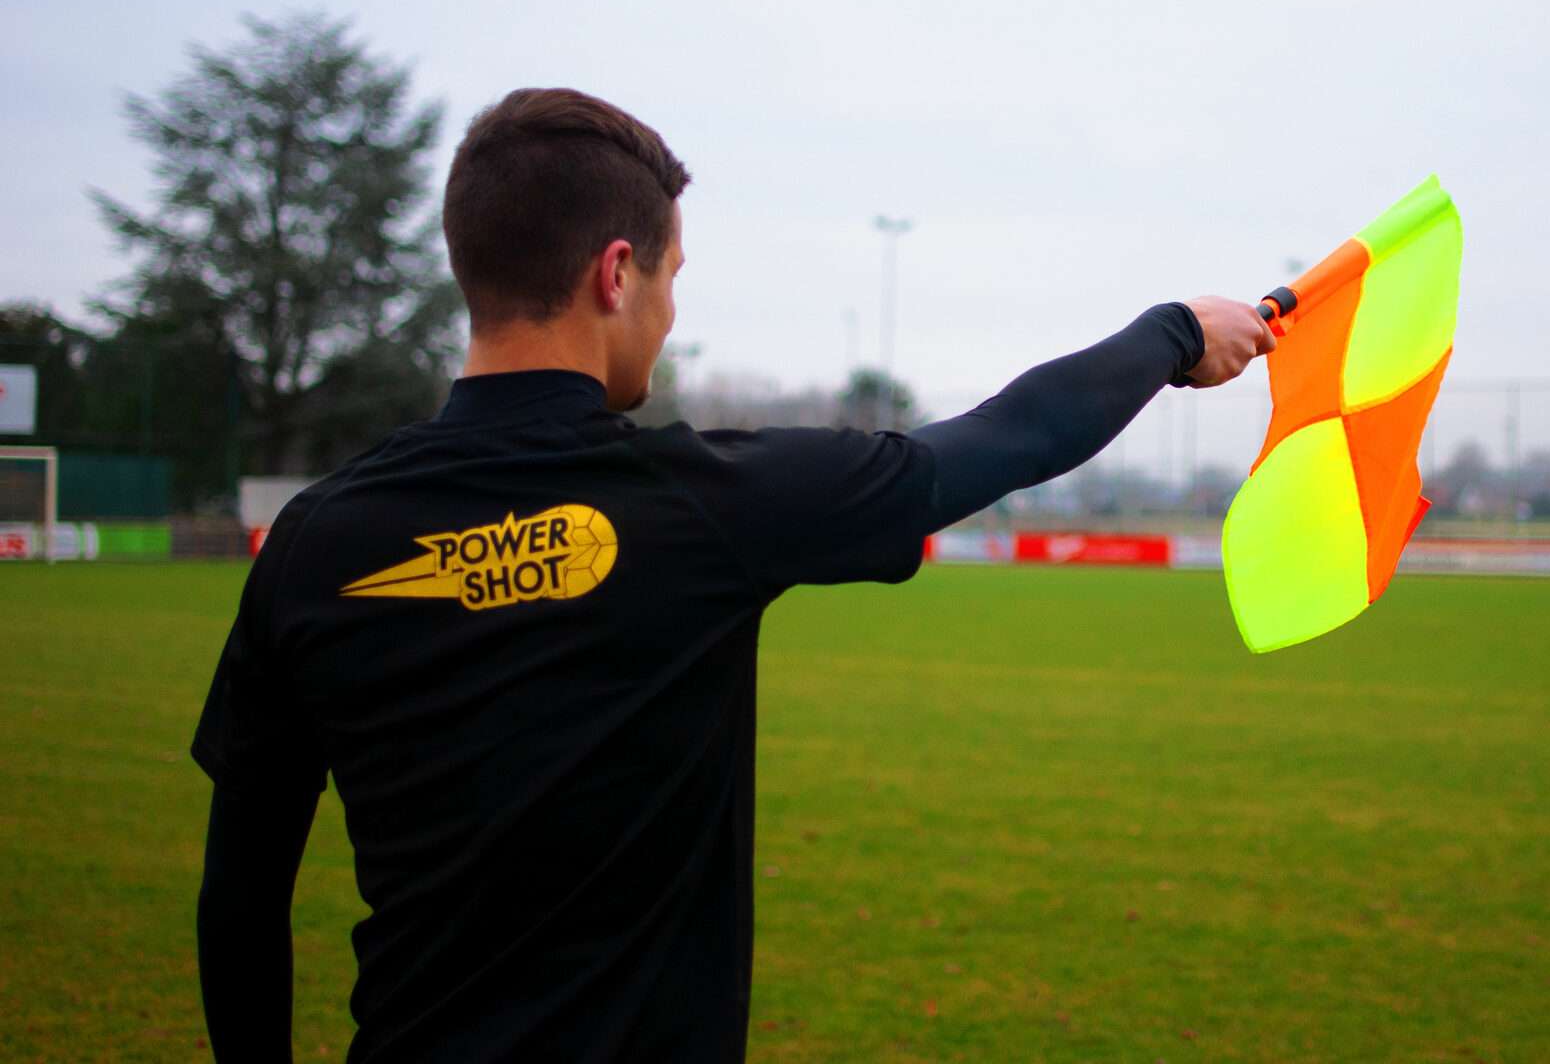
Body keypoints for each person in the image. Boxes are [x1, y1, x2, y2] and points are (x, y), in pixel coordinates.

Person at [192, 86, 1275, 1061]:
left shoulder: (314, 541)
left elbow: (240, 894)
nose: (667, 316)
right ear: (616, 273)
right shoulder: (704, 506)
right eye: (669, 276)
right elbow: (1003, 438)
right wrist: (1173, 334)